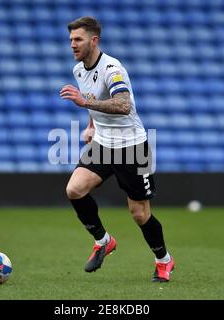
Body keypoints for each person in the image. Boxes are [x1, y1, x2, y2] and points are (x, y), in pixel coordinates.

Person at [60, 16, 174, 282]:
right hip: (102, 143)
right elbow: (92, 100)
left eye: (78, 40)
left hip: (132, 147)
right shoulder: (79, 70)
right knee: (74, 190)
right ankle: (103, 240)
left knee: (139, 214)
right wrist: (90, 125)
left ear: (94, 40)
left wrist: (83, 104)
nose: (73, 45)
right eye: (71, 40)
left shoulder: (113, 68)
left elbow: (122, 105)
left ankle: (163, 260)